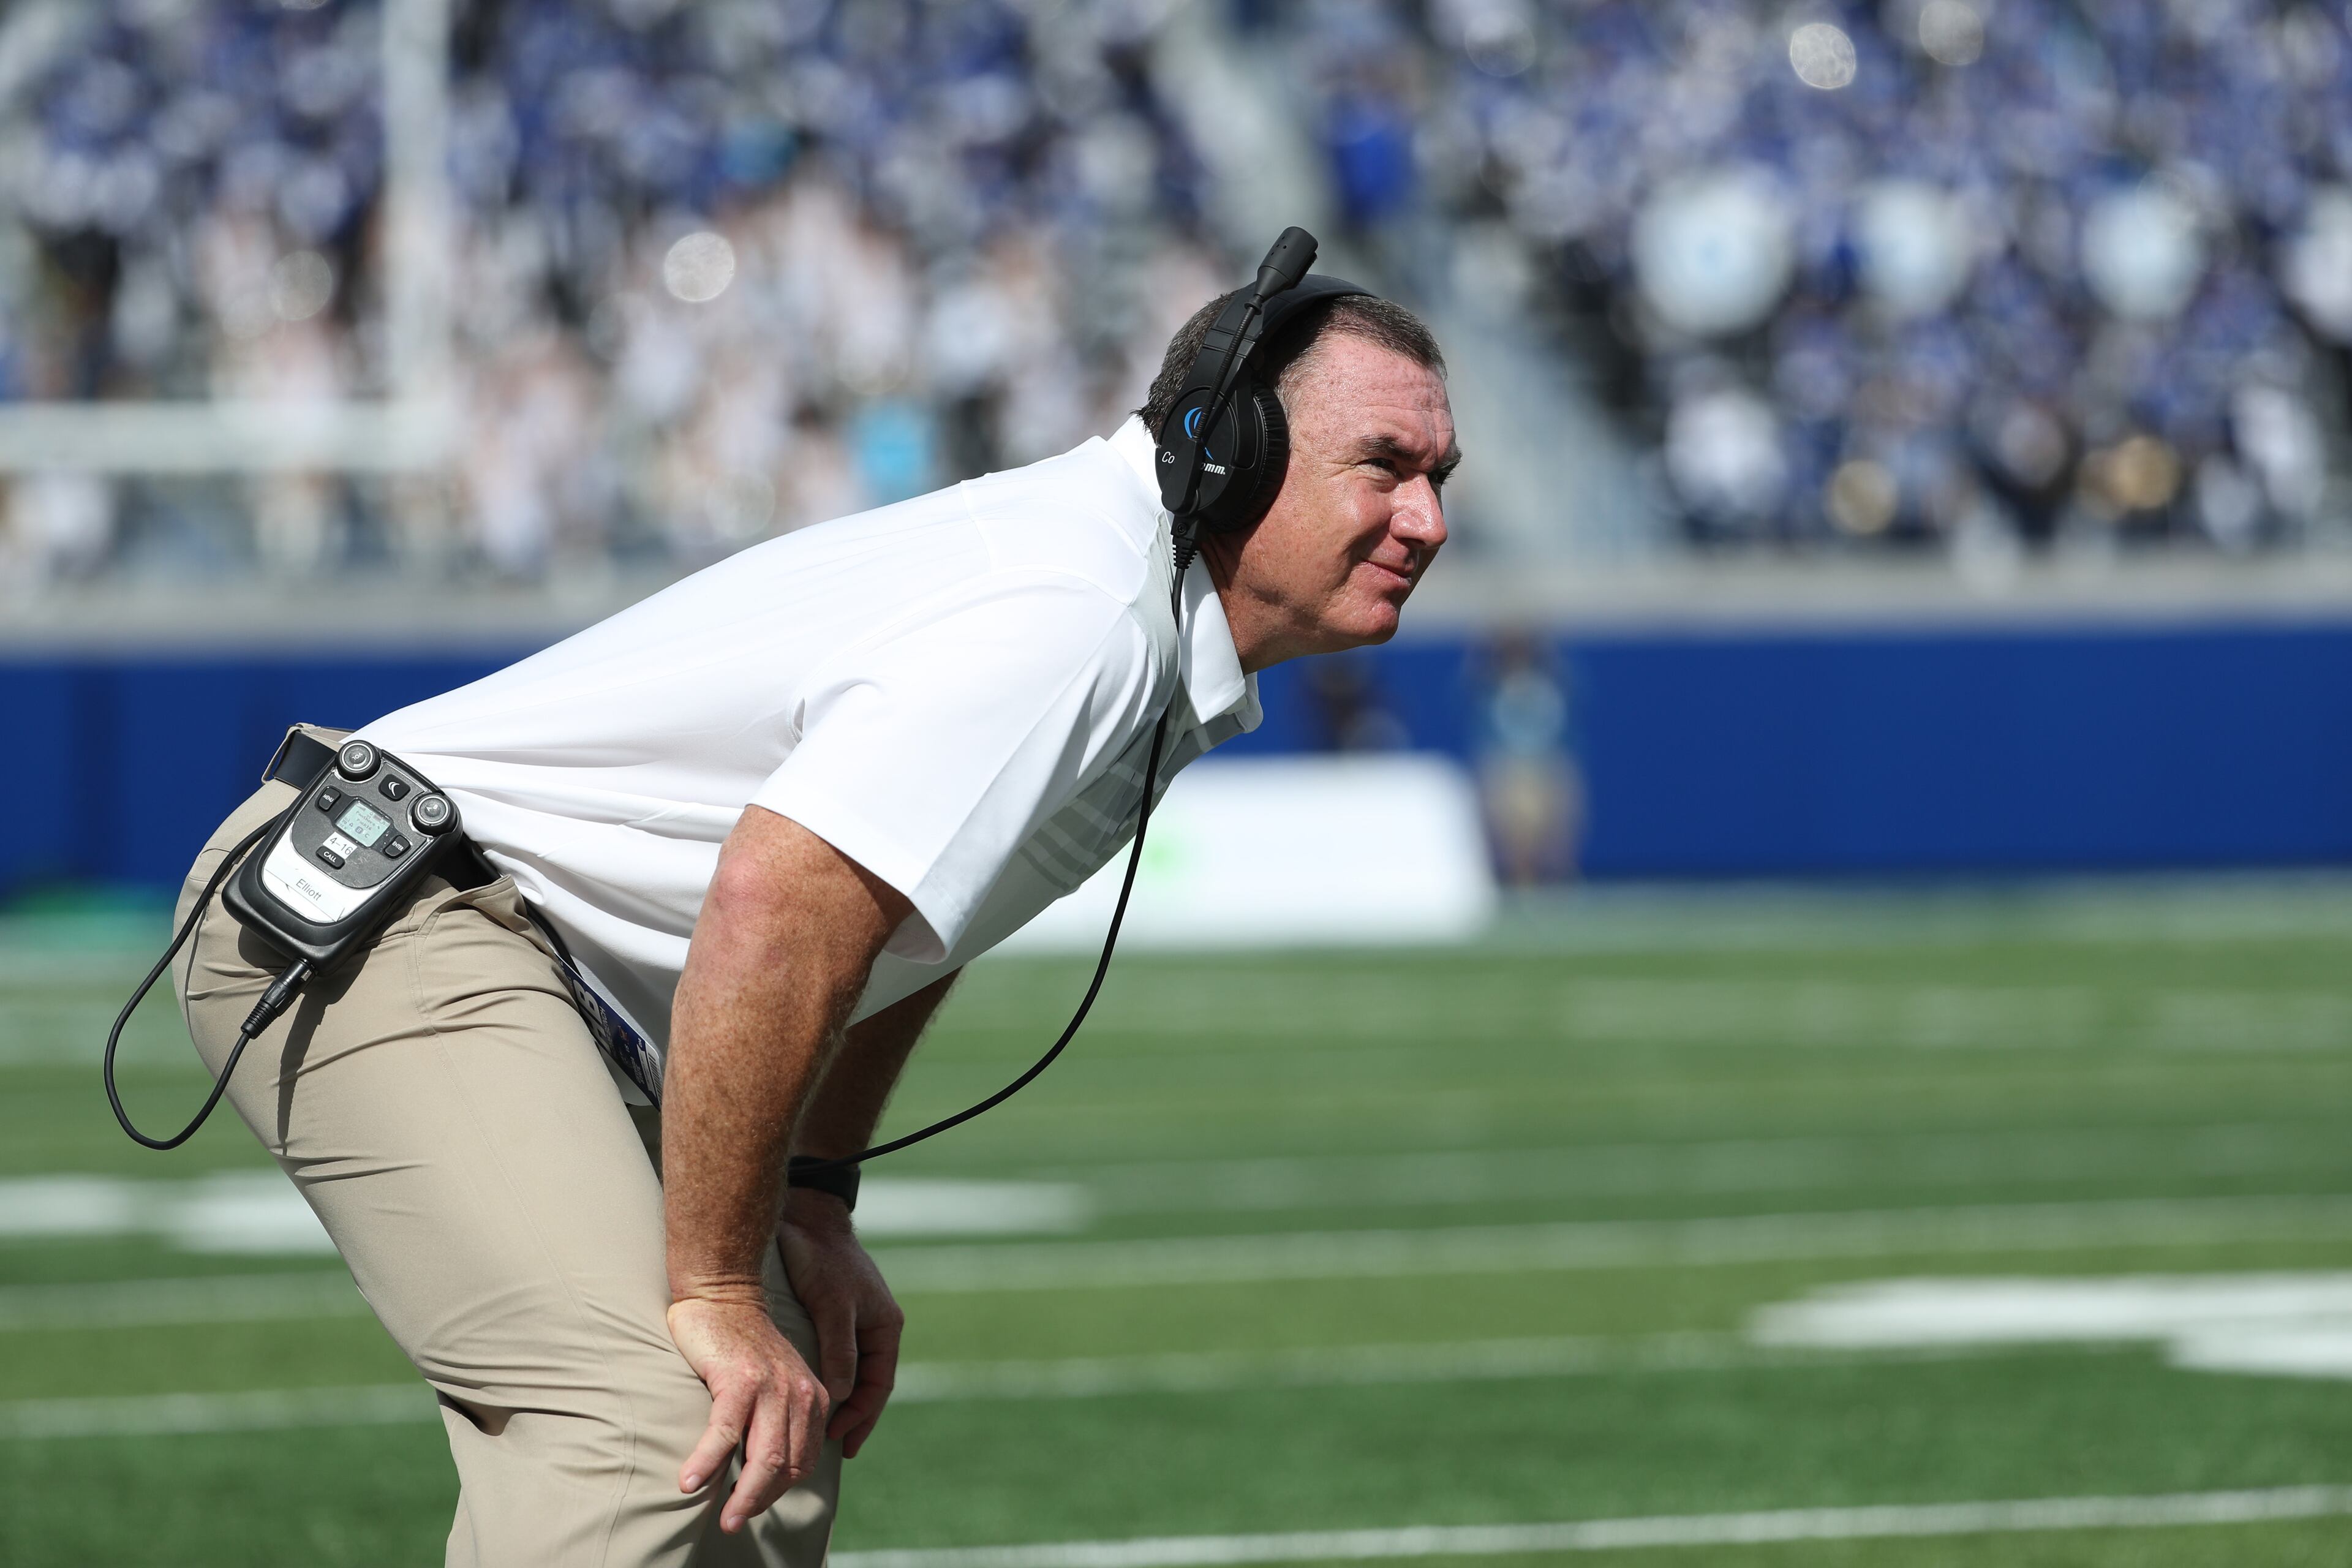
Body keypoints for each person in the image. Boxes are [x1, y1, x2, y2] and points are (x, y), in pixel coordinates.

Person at [172, 277, 1458, 1567]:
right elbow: (779, 902)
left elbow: (905, 918)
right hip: (393, 908)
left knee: (765, 1470)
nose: (1429, 518)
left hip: (509, 948)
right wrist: (720, 1284)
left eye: (1439, 473)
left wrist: (812, 1193)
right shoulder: (1076, 615)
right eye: (1386, 467)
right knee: (657, 1421)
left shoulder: (1122, 605)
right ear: (1229, 454)